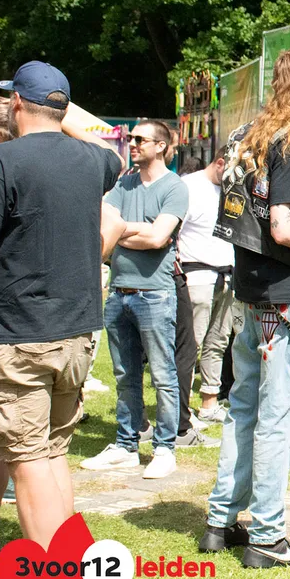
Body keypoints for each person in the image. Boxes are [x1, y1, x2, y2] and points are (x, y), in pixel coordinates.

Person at [198, 47, 290, 568]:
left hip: (250, 291)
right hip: (284, 296)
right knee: (277, 421)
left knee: (242, 410)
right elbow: (284, 228)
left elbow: (253, 216)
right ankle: (267, 536)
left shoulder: (247, 137)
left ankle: (221, 522)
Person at [0, 62, 124, 579]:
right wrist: (62, 109)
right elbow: (111, 146)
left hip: (19, 334)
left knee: (26, 459)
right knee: (50, 454)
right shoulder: (94, 161)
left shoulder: (4, 162)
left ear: (16, 104)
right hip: (76, 334)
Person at [83, 119, 189, 480]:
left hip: (155, 294)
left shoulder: (174, 187)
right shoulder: (123, 183)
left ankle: (165, 449)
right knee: (125, 374)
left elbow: (159, 237)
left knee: (162, 374)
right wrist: (138, 229)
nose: (132, 143)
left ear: (161, 146)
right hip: (118, 292)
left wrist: (121, 230)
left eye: (140, 138)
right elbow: (102, 225)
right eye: (130, 138)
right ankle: (126, 446)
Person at [177, 151, 235, 427]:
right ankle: (181, 408)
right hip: (197, 275)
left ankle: (209, 403)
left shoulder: (233, 190)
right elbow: (173, 231)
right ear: (220, 162)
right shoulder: (189, 186)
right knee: (191, 345)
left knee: (218, 342)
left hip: (227, 274)